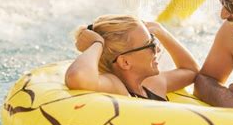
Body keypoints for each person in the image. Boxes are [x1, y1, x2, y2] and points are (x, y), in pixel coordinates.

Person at [65, 15, 199, 101]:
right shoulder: (117, 87)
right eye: (150, 45)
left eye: (154, 40)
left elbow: (191, 71)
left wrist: (161, 32)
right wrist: (97, 43)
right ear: (125, 62)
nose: (157, 48)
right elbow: (77, 77)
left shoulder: (152, 84)